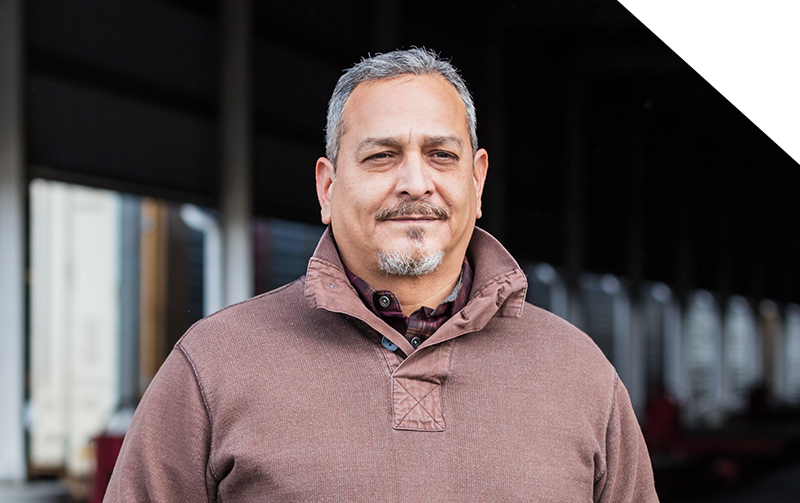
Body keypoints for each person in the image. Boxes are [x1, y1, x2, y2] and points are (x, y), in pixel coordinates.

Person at [105, 48, 658, 502]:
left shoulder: (580, 373)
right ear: (327, 187)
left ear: (478, 182)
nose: (415, 181)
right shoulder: (212, 365)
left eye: (441, 155)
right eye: (382, 156)